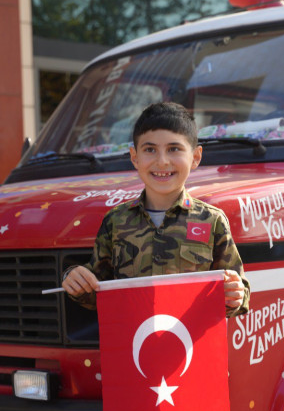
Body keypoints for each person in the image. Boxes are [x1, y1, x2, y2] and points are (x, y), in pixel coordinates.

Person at [62, 102, 250, 317]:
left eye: (174, 149)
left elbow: (237, 291)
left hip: (190, 345)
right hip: (133, 344)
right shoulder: (116, 221)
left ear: (195, 157)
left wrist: (235, 295)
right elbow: (97, 291)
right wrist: (75, 280)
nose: (162, 162)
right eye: (150, 149)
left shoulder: (211, 220)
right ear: (135, 157)